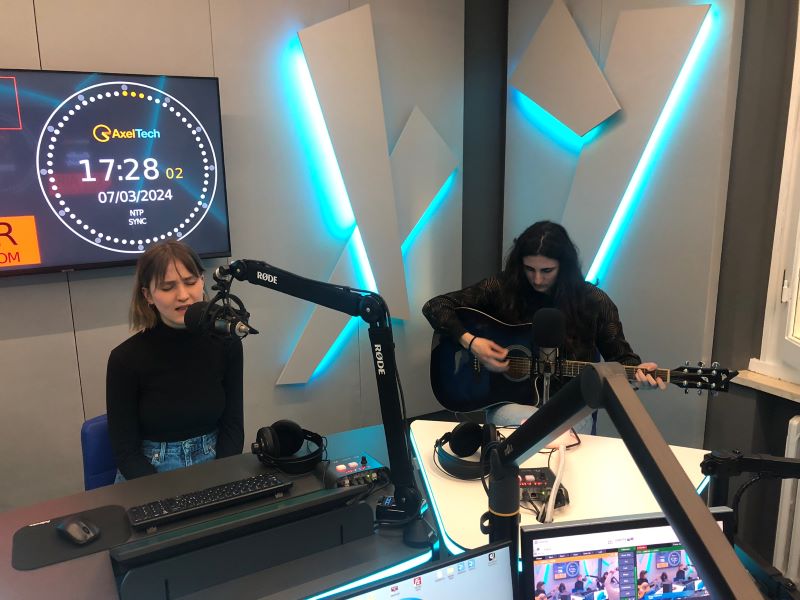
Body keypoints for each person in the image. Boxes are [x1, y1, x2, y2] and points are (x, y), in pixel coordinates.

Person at [422, 221, 664, 428]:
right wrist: (472, 342)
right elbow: (435, 306)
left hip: (571, 407)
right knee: (531, 425)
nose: (537, 279)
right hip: (510, 405)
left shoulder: (594, 302)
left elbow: (623, 360)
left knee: (554, 427)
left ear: (564, 267)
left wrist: (639, 377)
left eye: (547, 270)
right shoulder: (504, 288)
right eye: (529, 269)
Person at [107, 240, 244, 480]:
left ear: (202, 281)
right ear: (147, 295)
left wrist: (220, 480)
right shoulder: (124, 359)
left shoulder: (227, 343)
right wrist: (162, 494)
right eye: (168, 287)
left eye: (190, 282)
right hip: (149, 474)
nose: (183, 296)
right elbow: (125, 451)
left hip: (214, 464)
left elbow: (233, 427)